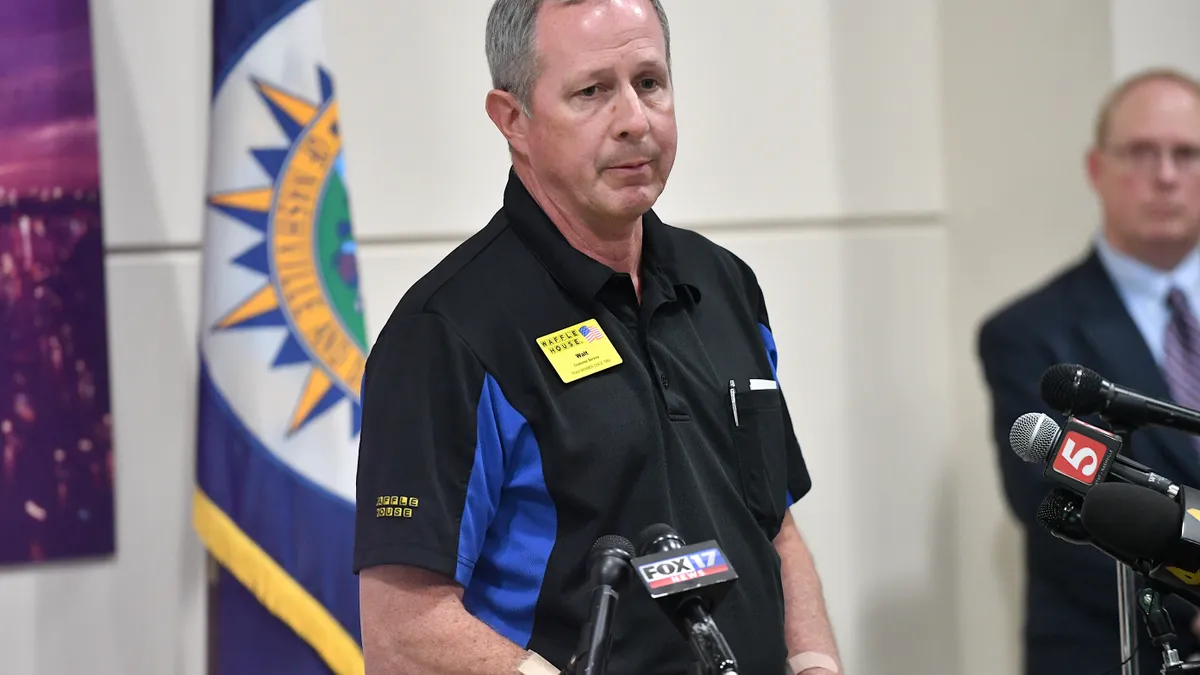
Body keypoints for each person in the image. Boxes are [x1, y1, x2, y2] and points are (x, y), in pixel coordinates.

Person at [352, 1, 842, 673]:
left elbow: (774, 524)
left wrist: (815, 660)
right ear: (513, 120)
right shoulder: (448, 333)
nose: (634, 121)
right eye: (592, 92)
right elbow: (402, 630)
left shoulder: (724, 282)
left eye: (649, 83)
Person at [977, 67, 1200, 675]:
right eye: (1141, 152)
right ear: (1097, 169)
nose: (1166, 176)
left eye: (1187, 153)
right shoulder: (1029, 334)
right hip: (1120, 648)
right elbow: (1063, 514)